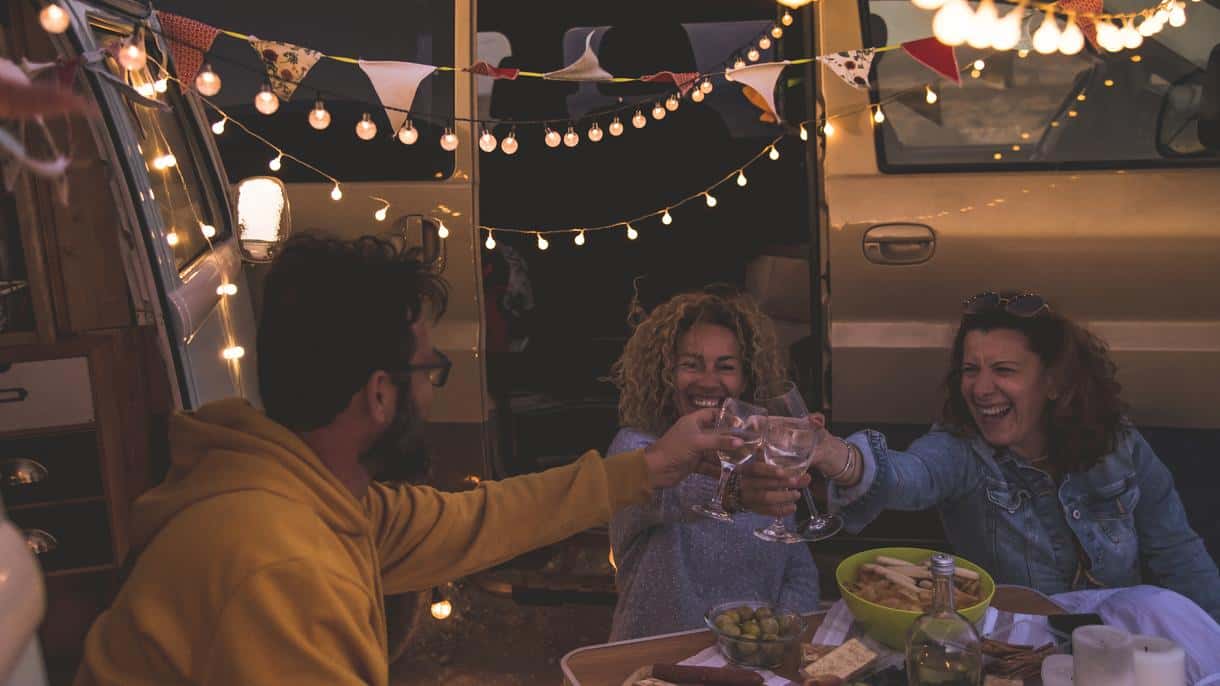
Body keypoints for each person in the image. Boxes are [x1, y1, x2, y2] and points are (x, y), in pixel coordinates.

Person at [74, 234, 736, 686]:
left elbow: (478, 519)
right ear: (381, 394)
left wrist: (652, 467)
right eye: (430, 369)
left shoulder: (312, 493)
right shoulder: (279, 563)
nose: (432, 387)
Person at [739, 291, 1220, 621]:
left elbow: (1178, 554)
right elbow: (908, 477)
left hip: (1119, 650)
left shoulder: (1119, 446)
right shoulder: (961, 450)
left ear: (1054, 382)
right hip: (1019, 656)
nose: (981, 388)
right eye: (970, 369)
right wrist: (829, 451)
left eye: (1004, 370)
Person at [605, 287, 820, 641]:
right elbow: (678, 490)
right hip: (657, 665)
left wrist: (777, 639)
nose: (707, 381)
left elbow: (799, 570)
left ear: (746, 378)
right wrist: (743, 485)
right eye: (691, 365)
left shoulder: (765, 455)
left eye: (726, 367)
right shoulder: (636, 448)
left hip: (751, 665)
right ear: (664, 374)